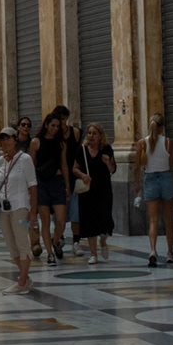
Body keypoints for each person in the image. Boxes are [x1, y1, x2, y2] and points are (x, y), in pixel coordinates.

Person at [0, 127, 37, 295]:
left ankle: (21, 282)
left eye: (8, 138)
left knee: (22, 243)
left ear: (15, 140)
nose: (5, 142)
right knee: (11, 244)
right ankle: (25, 277)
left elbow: (33, 186)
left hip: (20, 207)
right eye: (2, 139)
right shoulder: (1, 161)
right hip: (4, 208)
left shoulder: (25, 159)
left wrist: (33, 213)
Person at [32, 113, 75, 265]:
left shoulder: (61, 143)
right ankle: (50, 253)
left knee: (61, 220)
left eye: (57, 126)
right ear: (46, 125)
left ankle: (55, 242)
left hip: (57, 182)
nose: (55, 129)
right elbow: (31, 165)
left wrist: (67, 185)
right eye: (52, 125)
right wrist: (31, 187)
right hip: (42, 183)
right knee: (45, 220)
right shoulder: (36, 142)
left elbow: (64, 164)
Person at [134, 114, 173, 266]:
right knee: (168, 219)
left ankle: (153, 251)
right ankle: (170, 253)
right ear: (162, 127)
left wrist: (137, 185)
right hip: (165, 178)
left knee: (153, 220)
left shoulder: (142, 143)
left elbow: (137, 166)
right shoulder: (168, 142)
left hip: (150, 179)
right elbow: (171, 164)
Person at [78, 124, 115, 263]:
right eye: (89, 133)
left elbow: (112, 169)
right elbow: (74, 168)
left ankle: (103, 240)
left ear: (100, 135)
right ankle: (93, 254)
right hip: (88, 191)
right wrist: (82, 175)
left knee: (105, 220)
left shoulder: (107, 149)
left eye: (94, 133)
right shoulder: (82, 150)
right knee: (90, 221)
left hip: (103, 190)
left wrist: (107, 162)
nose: (91, 136)